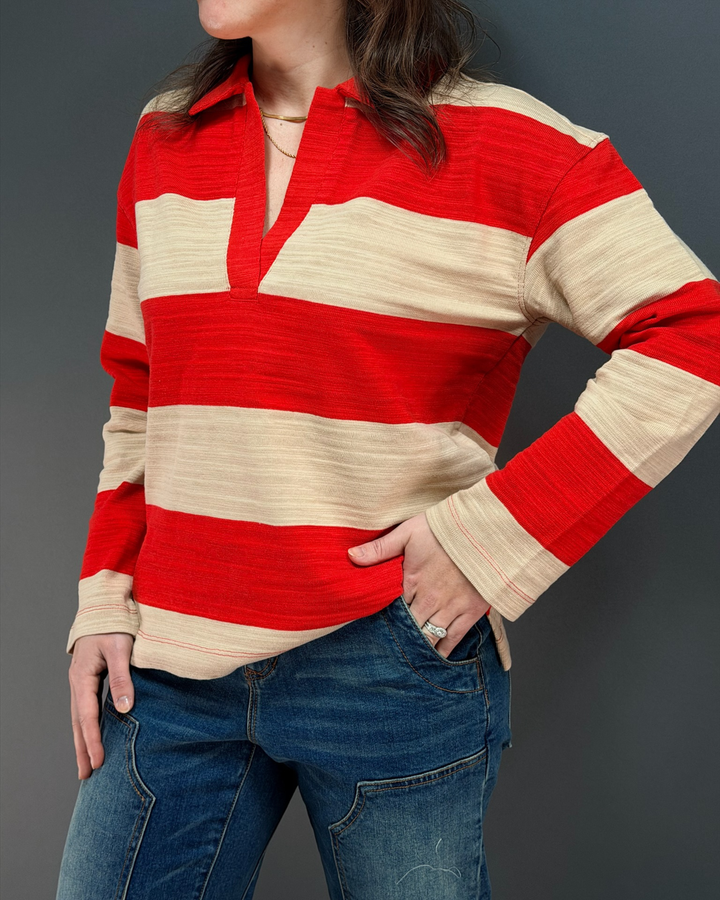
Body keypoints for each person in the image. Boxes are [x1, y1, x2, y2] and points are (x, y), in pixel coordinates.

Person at [55, 1, 720, 897]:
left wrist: (488, 544)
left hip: (388, 661)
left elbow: (693, 336)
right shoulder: (168, 133)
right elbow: (139, 389)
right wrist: (104, 598)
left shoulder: (511, 146)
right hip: (168, 667)